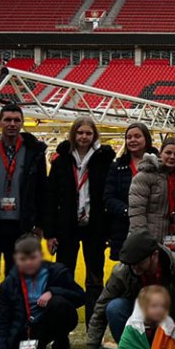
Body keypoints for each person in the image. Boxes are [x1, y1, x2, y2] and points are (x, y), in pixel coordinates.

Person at [0, 102, 47, 349]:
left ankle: (15, 327)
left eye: (16, 119)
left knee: (16, 280)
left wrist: (40, 223)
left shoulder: (34, 151)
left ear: (23, 122)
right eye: (7, 120)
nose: (12, 124)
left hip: (21, 228)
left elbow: (41, 190)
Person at [79, 230, 175, 349]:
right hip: (141, 325)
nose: (134, 268)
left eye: (139, 263)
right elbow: (101, 307)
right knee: (114, 308)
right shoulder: (123, 271)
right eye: (131, 264)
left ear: (154, 255)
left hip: (172, 325)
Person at [44, 116, 115, 323]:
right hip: (67, 227)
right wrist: (50, 233)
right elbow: (51, 197)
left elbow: (108, 196)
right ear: (74, 134)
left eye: (88, 133)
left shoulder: (103, 160)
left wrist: (108, 231)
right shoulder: (62, 160)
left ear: (94, 136)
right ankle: (62, 328)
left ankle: (94, 327)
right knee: (63, 276)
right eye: (80, 132)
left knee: (94, 278)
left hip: (95, 227)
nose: (84, 136)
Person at [0, 234, 84, 349]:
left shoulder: (57, 271)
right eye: (23, 259)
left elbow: (80, 296)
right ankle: (35, 348)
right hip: (28, 328)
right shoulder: (9, 284)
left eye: (32, 257)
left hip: (51, 320)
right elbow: (3, 321)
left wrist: (53, 292)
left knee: (57, 304)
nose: (28, 263)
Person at [105, 122, 156, 261]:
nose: (132, 140)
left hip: (152, 225)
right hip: (123, 228)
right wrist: (129, 212)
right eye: (129, 137)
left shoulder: (159, 165)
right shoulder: (117, 167)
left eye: (137, 136)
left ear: (146, 139)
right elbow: (109, 198)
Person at [128, 137, 175, 250]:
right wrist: (142, 239)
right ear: (160, 153)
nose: (172, 157)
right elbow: (137, 212)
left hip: (174, 238)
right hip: (149, 238)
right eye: (168, 152)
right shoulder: (145, 176)